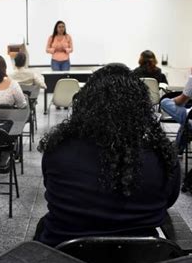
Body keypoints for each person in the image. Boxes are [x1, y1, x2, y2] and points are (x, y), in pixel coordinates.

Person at [34, 64, 180, 247]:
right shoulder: (162, 154)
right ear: (141, 107)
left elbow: (51, 187)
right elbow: (168, 200)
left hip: (65, 257)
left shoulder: (58, 149)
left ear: (85, 104)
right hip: (139, 259)